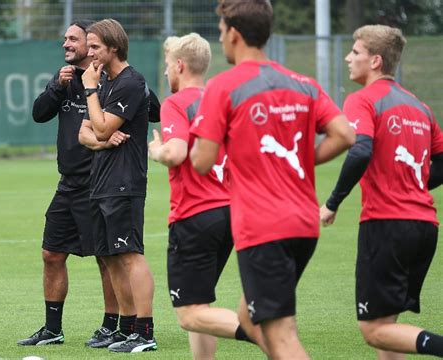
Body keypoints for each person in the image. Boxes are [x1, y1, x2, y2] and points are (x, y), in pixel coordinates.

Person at [189, 1, 355, 359]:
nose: (220, 40)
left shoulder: (224, 85)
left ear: (233, 34)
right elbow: (343, 134)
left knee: (281, 335)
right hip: (303, 223)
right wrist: (299, 159)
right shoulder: (303, 83)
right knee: (248, 321)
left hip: (264, 225)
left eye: (220, 32)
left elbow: (202, 162)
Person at [320, 24, 443, 359]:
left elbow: (359, 151)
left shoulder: (362, 99)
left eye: (355, 52)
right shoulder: (419, 106)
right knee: (390, 325)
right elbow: (442, 163)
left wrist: (332, 203)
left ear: (375, 61)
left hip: (387, 225)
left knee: (374, 331)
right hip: (425, 226)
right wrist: (412, 182)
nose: (348, 58)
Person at [148, 33, 266, 359]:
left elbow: (175, 152)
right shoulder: (223, 100)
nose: (166, 73)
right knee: (201, 306)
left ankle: (259, 330)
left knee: (188, 314)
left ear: (180, 65)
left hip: (195, 216)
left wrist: (156, 150)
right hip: (230, 214)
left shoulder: (176, 103)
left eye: (169, 65)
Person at [17, 20, 129, 348]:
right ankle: (53, 329)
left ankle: (111, 325)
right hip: (68, 184)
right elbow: (39, 113)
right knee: (51, 253)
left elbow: (150, 110)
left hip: (100, 182)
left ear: (91, 45)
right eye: (64, 38)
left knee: (106, 258)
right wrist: (56, 87)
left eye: (74, 39)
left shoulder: (111, 78)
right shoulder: (63, 79)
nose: (66, 44)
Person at [78, 18, 157, 353]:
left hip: (124, 181)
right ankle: (125, 329)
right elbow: (86, 133)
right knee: (110, 256)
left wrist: (91, 92)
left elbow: (100, 125)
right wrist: (102, 142)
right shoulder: (106, 80)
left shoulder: (128, 81)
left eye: (95, 46)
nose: (89, 52)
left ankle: (145, 331)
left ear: (113, 47)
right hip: (101, 178)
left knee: (129, 255)